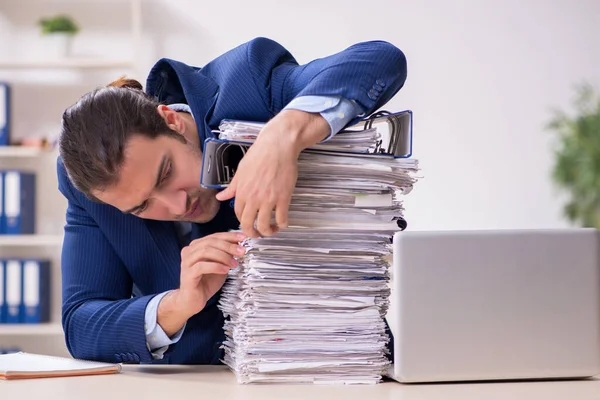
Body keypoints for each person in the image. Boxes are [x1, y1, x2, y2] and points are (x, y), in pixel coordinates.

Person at [57, 37, 407, 364]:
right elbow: (81, 324)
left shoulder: (247, 85)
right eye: (142, 207)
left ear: (170, 119)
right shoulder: (93, 189)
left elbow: (378, 59)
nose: (177, 205)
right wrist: (177, 305)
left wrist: (282, 136)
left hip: (336, 363)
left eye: (165, 174)